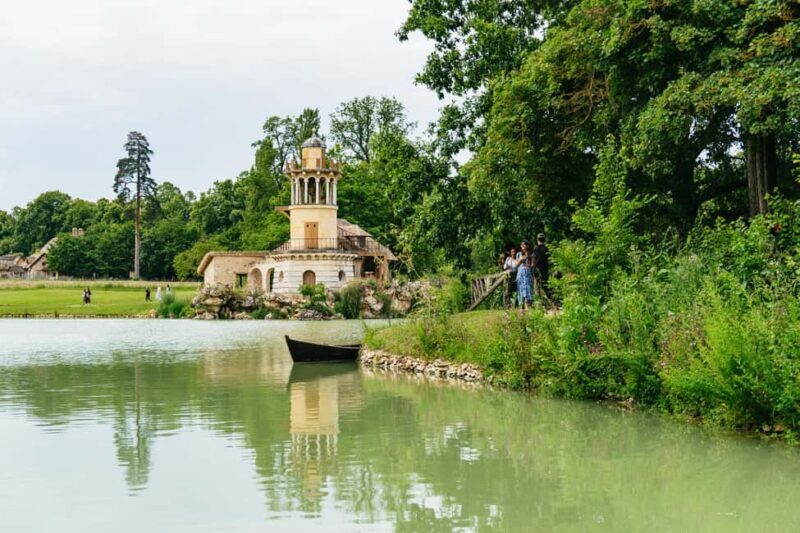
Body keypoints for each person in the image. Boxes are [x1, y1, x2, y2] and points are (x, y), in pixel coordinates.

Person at [514, 240, 533, 309]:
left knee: (527, 289)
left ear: (527, 246)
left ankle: (528, 306)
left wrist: (528, 265)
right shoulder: (518, 254)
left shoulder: (531, 254)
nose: (522, 246)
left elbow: (532, 265)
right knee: (520, 289)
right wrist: (521, 259)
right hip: (520, 274)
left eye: (524, 245)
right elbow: (516, 264)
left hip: (527, 274)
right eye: (521, 245)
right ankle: (521, 307)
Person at [532, 233, 550, 301]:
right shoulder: (547, 249)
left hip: (537, 270)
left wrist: (533, 269)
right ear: (544, 240)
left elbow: (533, 260)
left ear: (537, 239)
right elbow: (549, 260)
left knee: (537, 288)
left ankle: (539, 303)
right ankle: (552, 301)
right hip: (545, 271)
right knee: (546, 286)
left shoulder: (535, 249)